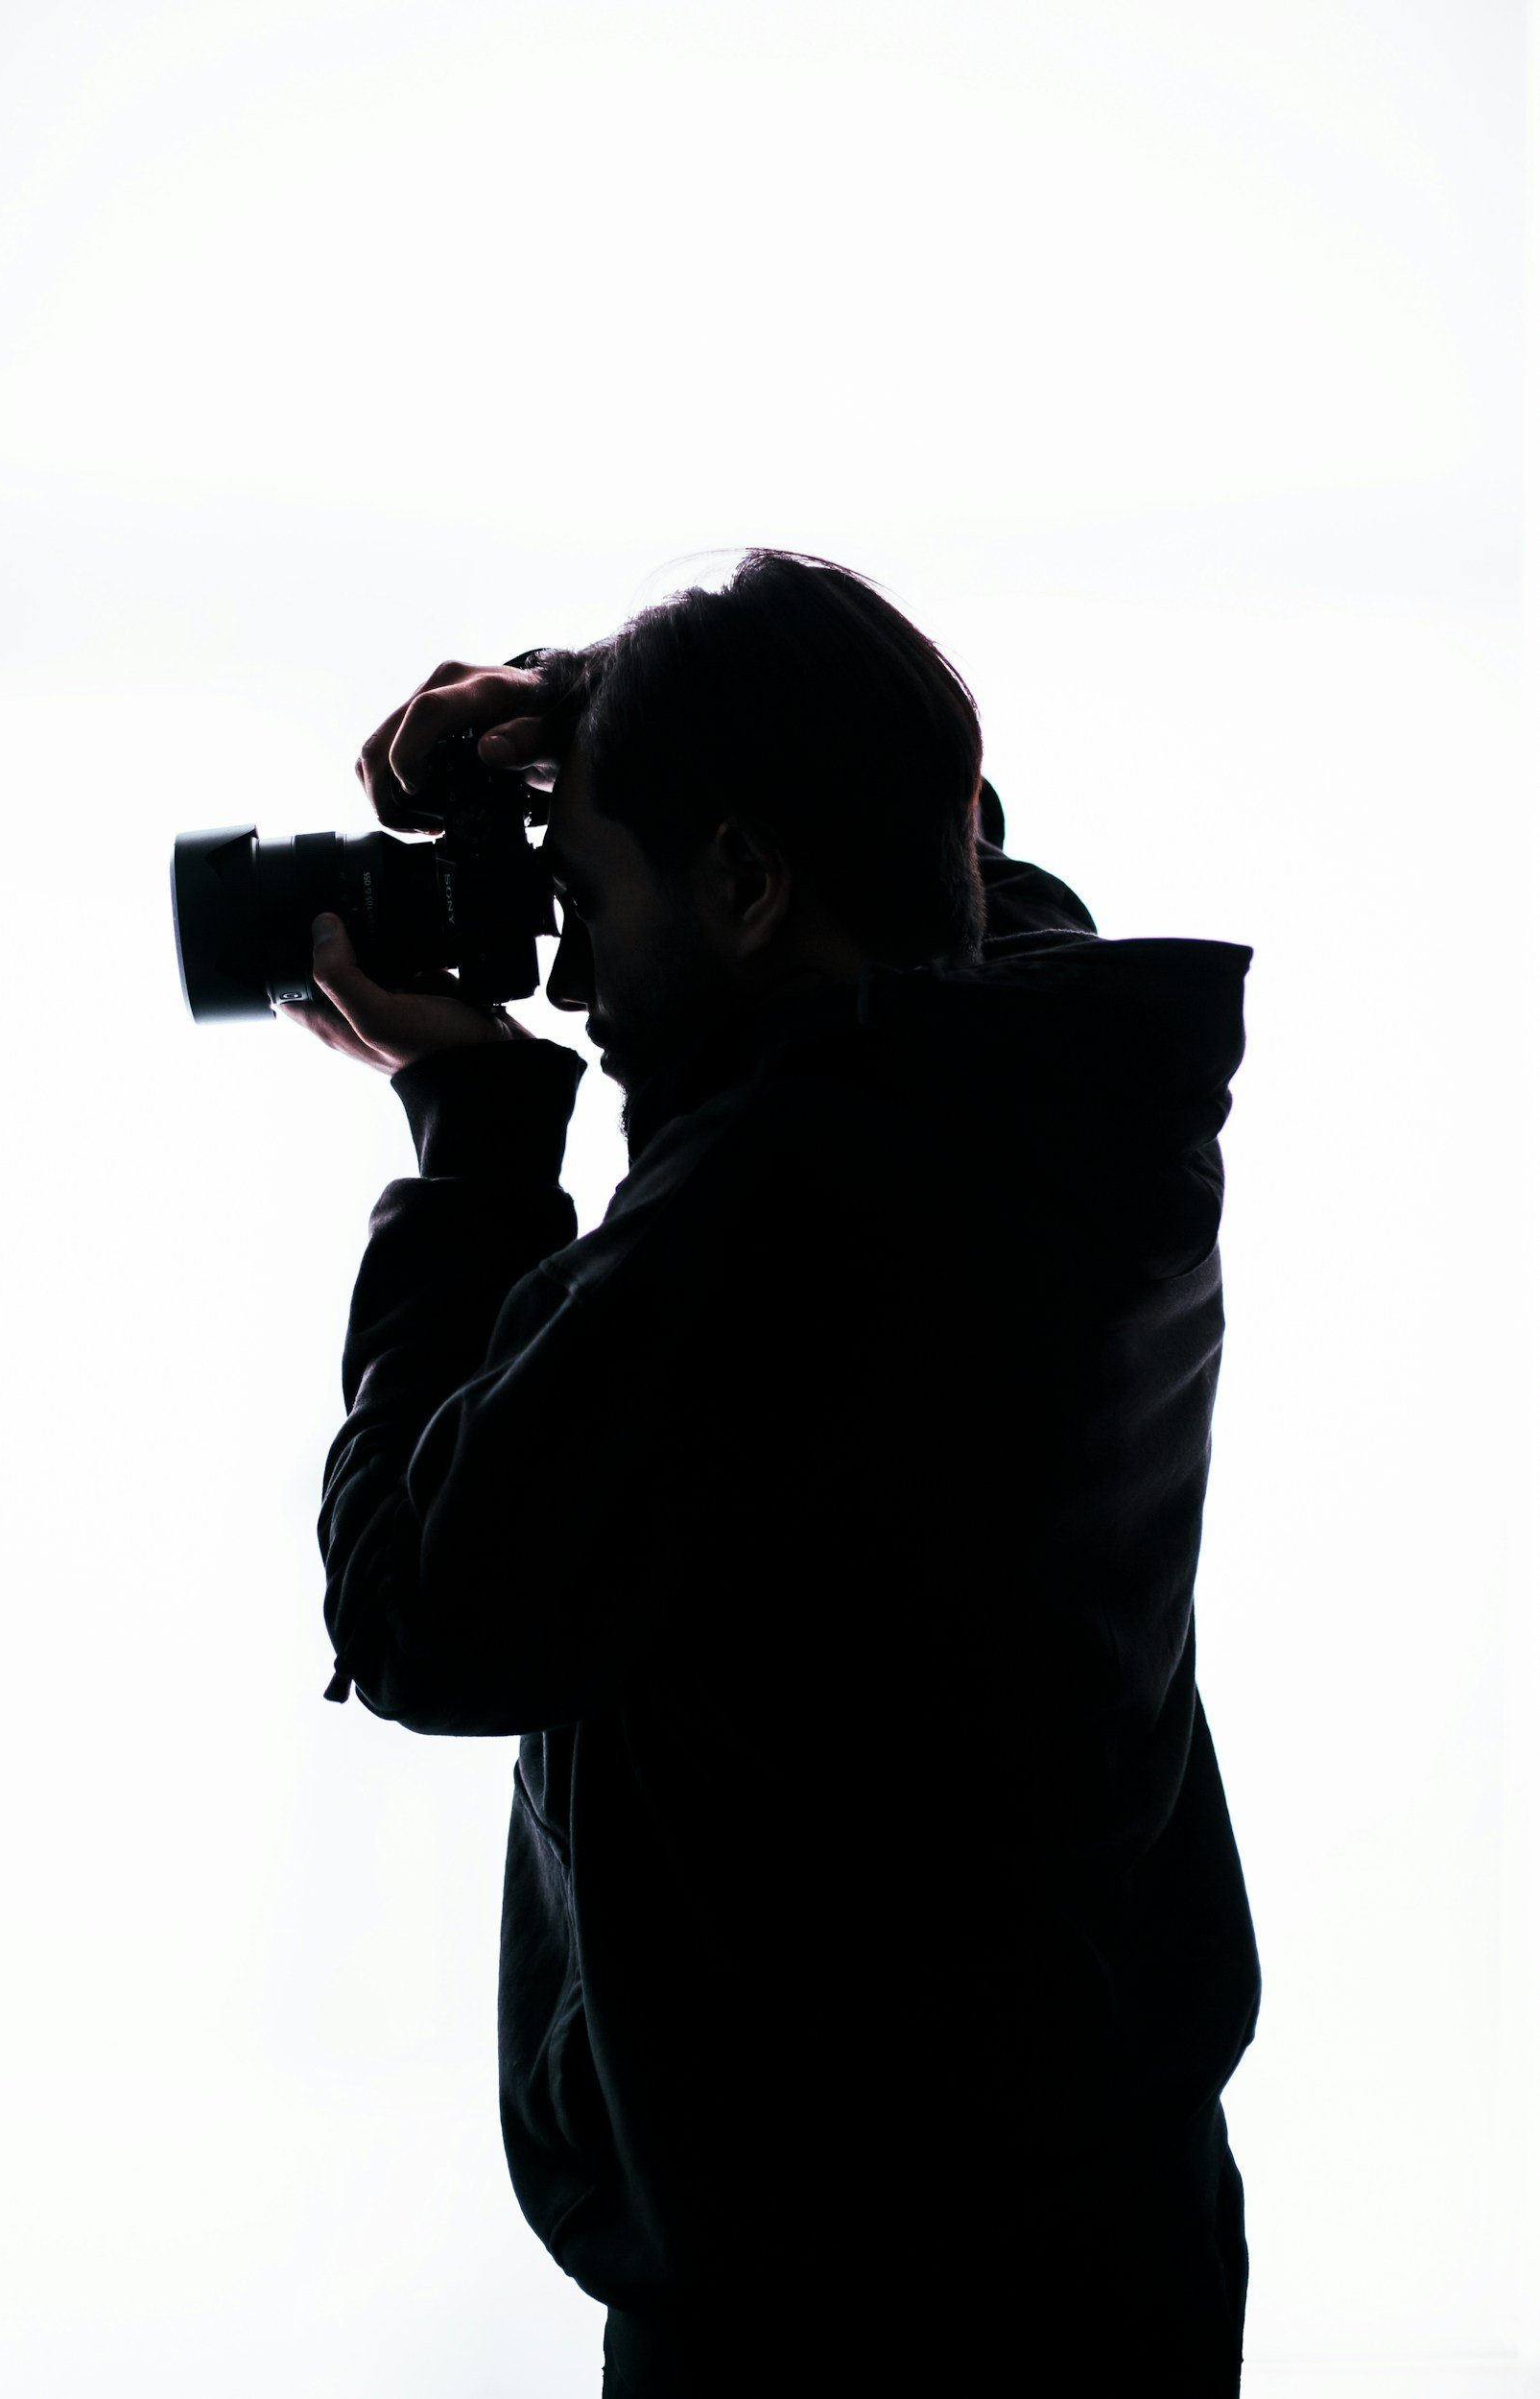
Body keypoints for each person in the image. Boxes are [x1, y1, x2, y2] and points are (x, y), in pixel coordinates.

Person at [279, 549, 1263, 2397]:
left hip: (828, 2304)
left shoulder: (768, 1223)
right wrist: (595, 713)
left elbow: (421, 1613)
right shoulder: (1070, 1080)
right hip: (1120, 2219)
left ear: (744, 878)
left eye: (581, 883)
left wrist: (476, 1135)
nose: (556, 956)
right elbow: (930, 811)